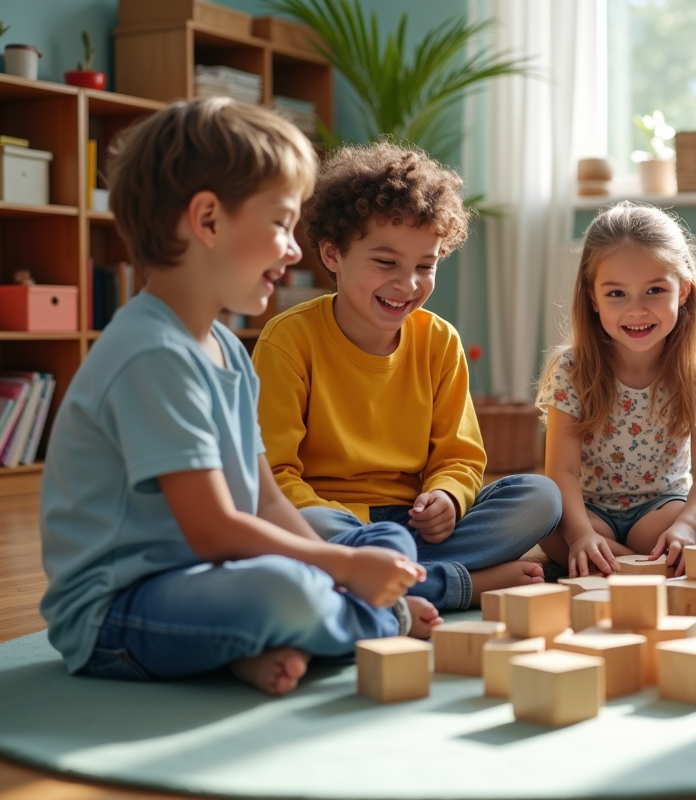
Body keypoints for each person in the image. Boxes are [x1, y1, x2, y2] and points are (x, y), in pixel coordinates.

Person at [39, 99, 426, 697]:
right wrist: (341, 570)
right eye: (279, 224)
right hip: (117, 612)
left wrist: (341, 560)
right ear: (209, 220)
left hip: (208, 580)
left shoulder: (222, 347)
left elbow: (267, 503)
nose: (294, 249)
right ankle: (376, 619)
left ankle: (262, 642)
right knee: (289, 587)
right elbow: (216, 530)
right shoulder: (153, 354)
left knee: (384, 540)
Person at [253, 142, 561, 615]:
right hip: (330, 520)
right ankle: (450, 583)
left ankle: (379, 577)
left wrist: (447, 498)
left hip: (416, 525)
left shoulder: (440, 342)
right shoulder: (288, 340)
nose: (409, 283)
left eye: (425, 265)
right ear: (333, 253)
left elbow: (460, 456)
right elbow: (272, 476)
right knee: (292, 528)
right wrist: (344, 527)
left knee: (540, 497)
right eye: (386, 262)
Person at [536, 202, 696, 577]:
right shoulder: (571, 370)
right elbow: (561, 472)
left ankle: (616, 562)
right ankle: (638, 563)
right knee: (547, 524)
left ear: (682, 292)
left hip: (661, 512)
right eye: (617, 294)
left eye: (654, 290)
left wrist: (686, 525)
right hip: (589, 511)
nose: (637, 310)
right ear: (592, 298)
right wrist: (582, 533)